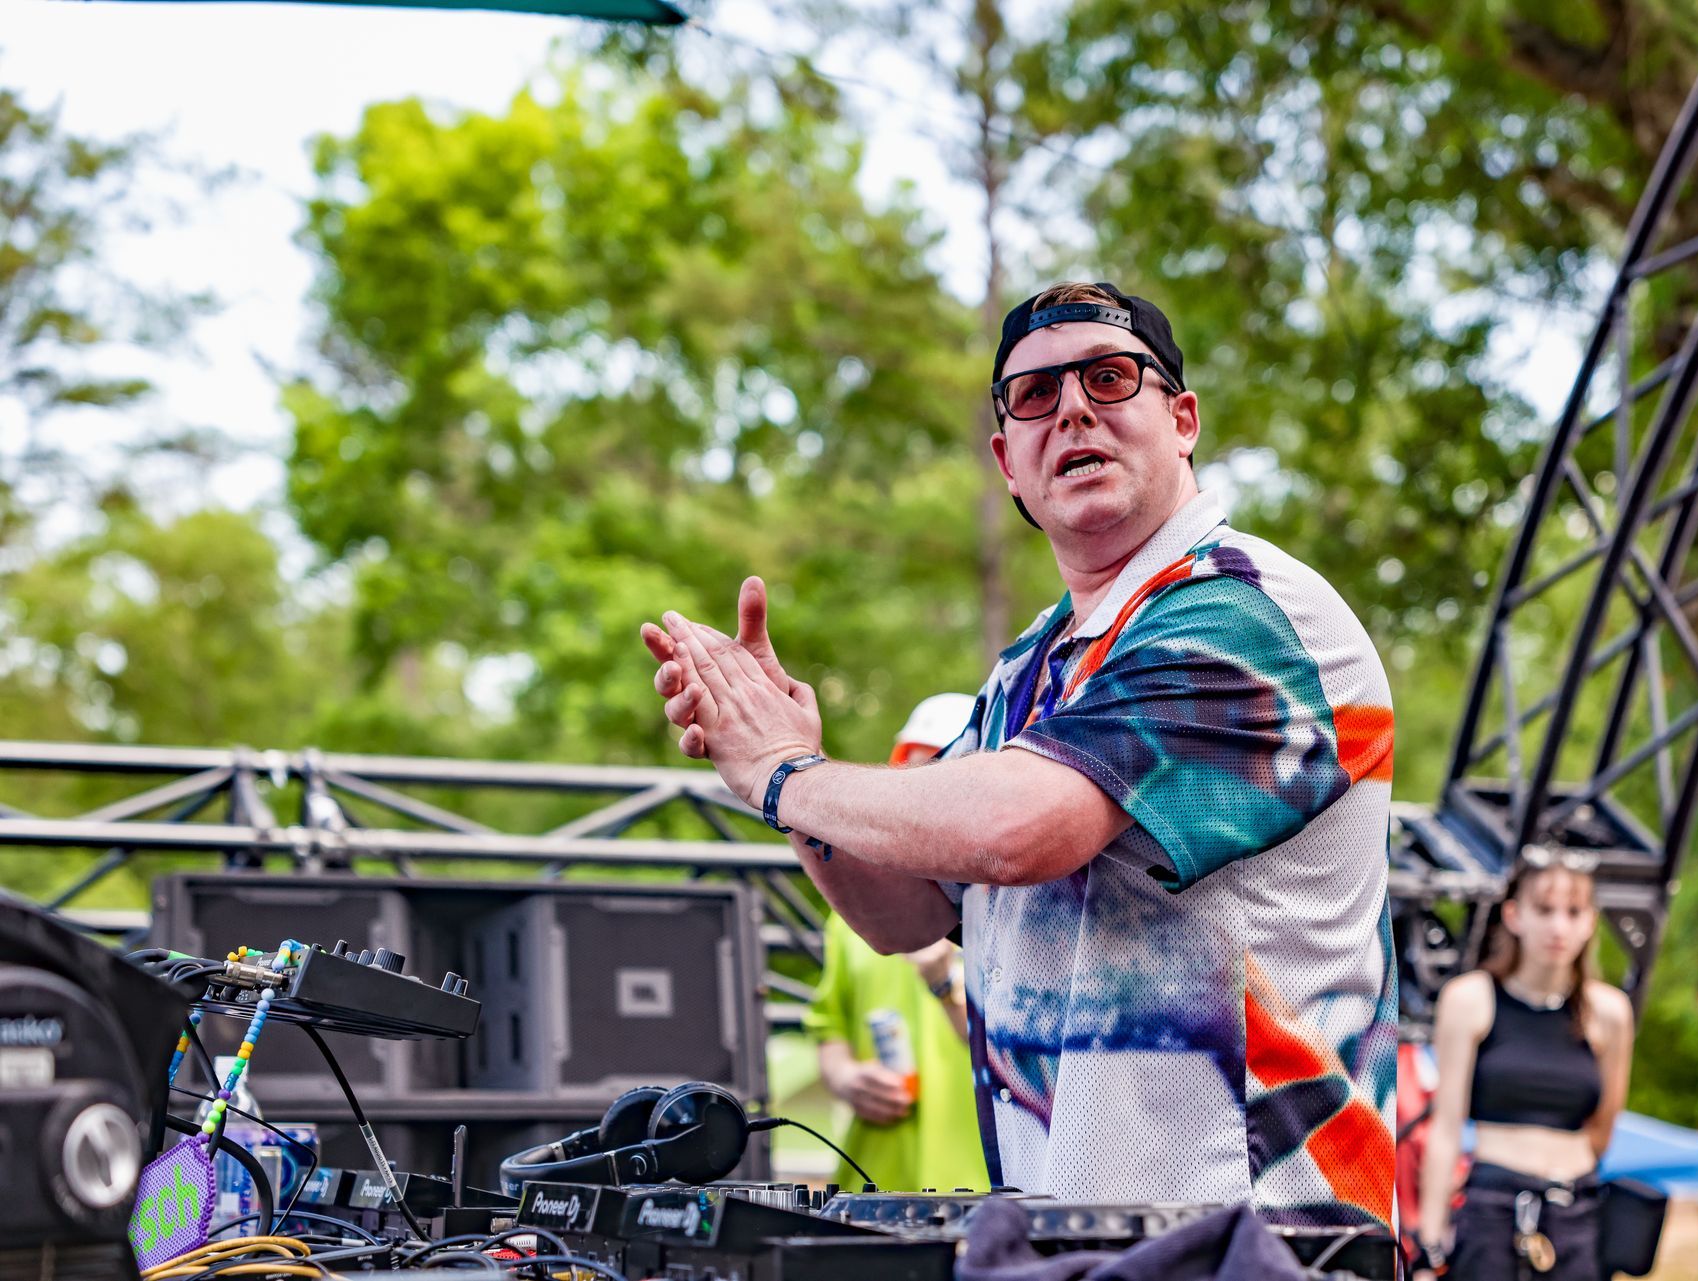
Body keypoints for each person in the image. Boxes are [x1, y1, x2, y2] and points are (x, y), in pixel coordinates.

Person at [642, 280, 1397, 1227]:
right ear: (1008, 459)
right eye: (1035, 395)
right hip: (1077, 1235)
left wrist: (787, 773)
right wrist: (790, 768)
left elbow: (1019, 828)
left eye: (1111, 378)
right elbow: (905, 913)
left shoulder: (1239, 612)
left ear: (1183, 419)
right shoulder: (1025, 670)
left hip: (1263, 1238)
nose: (1072, 407)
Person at [1414, 848, 1635, 1281]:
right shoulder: (1470, 999)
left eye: (1573, 912)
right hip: (1492, 1208)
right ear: (1514, 915)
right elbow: (1445, 1129)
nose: (1559, 927)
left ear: (1591, 922)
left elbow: (1604, 1125)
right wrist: (1429, 1245)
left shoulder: (1609, 1013)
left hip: (1575, 1212)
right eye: (1545, 910)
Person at [804, 694, 988, 1193]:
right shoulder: (855, 914)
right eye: (911, 774)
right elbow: (828, 1031)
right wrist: (846, 1079)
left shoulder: (1012, 908)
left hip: (981, 1194)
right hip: (872, 1187)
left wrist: (944, 982)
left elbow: (1017, 1063)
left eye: (939, 775)